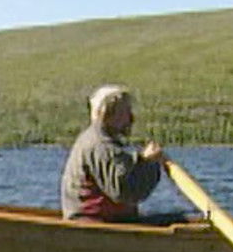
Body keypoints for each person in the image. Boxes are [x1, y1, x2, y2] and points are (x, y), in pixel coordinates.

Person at [60, 84, 168, 222]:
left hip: (106, 221)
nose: (131, 119)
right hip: (94, 224)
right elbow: (124, 192)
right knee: (176, 221)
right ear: (107, 113)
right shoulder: (99, 144)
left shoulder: (97, 140)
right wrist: (147, 163)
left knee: (176, 219)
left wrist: (144, 161)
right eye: (125, 112)